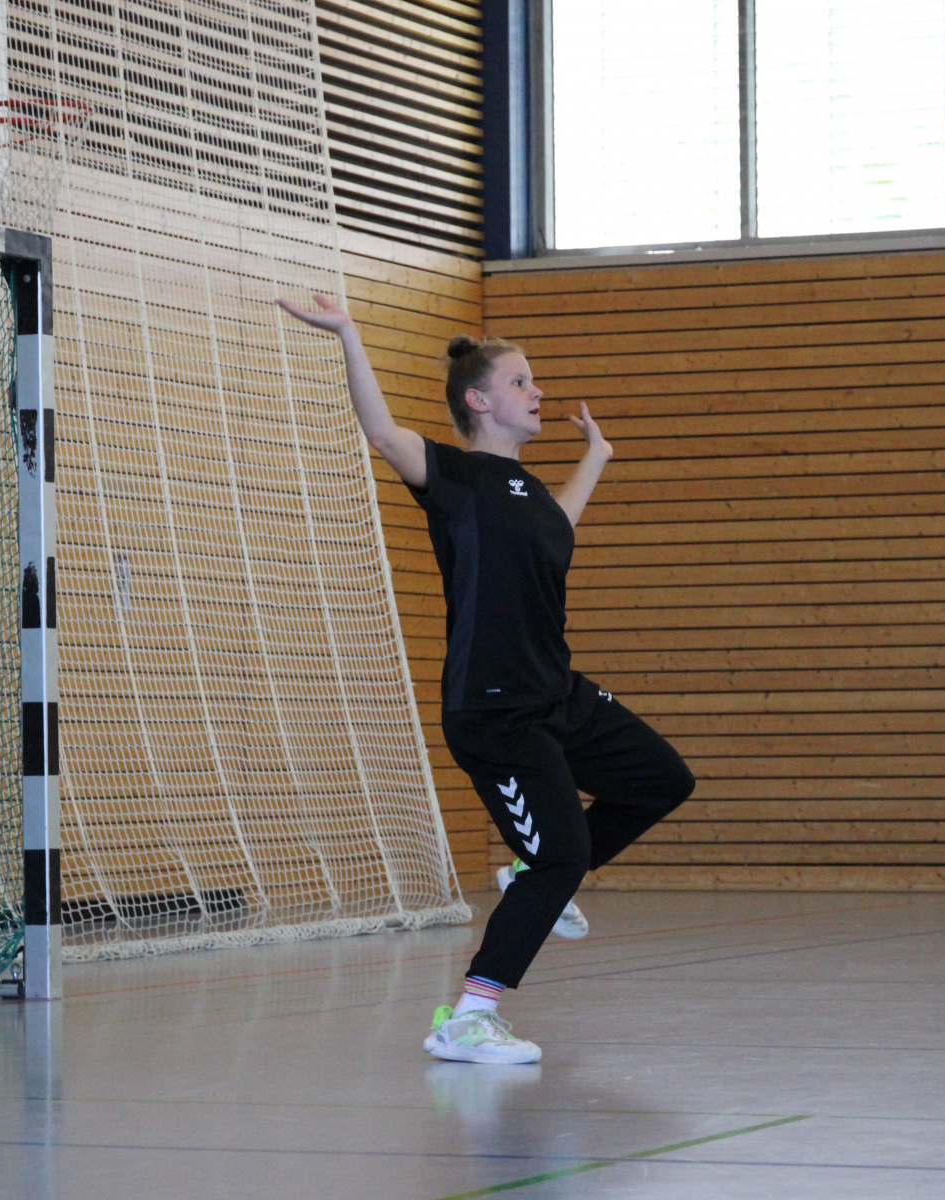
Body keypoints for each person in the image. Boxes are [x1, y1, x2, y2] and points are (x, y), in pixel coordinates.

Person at [277, 294, 695, 1065]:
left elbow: (560, 524)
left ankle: (531, 872)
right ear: (478, 401)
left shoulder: (532, 498)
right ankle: (468, 1018)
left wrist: (597, 456)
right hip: (495, 713)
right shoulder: (456, 479)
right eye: (520, 382)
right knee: (561, 856)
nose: (538, 392)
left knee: (663, 779)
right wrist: (349, 335)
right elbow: (382, 432)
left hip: (559, 696)